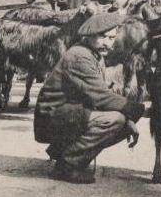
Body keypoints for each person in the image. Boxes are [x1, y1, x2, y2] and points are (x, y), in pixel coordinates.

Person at [34, 13, 145, 184]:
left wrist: (129, 118)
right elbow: (101, 97)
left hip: (66, 113)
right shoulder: (80, 56)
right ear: (90, 36)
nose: (109, 42)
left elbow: (96, 95)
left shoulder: (92, 53)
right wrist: (138, 110)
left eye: (112, 37)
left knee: (122, 122)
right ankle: (67, 165)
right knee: (115, 120)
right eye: (104, 37)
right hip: (52, 118)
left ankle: (63, 150)